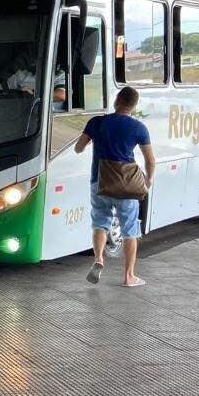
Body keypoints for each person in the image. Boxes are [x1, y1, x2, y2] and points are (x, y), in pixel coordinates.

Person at [75, 86, 156, 288]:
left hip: (99, 182)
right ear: (134, 106)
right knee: (130, 231)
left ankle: (99, 260)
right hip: (126, 186)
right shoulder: (138, 128)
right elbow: (150, 161)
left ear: (117, 100)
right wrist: (148, 181)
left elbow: (78, 148)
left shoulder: (97, 122)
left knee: (100, 224)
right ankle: (129, 277)